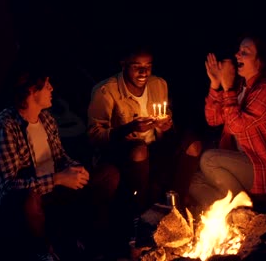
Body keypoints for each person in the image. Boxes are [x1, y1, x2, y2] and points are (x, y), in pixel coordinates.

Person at [0, 63, 119, 261]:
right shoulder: (3, 128)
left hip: (55, 194)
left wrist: (75, 169)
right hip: (24, 207)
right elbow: (7, 187)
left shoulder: (45, 119)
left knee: (108, 174)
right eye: (46, 85)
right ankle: (43, 252)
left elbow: (60, 156)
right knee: (28, 198)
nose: (52, 89)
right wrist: (57, 179)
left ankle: (92, 241)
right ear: (31, 91)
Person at [87, 43, 203, 215]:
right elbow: (95, 135)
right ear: (124, 64)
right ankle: (139, 211)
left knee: (193, 144)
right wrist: (129, 128)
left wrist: (165, 126)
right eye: (137, 67)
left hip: (155, 145)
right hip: (122, 150)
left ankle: (177, 204)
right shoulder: (105, 91)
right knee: (140, 150)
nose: (144, 73)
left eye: (148, 67)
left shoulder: (158, 84)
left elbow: (166, 118)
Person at [188, 32, 266, 213]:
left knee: (209, 159)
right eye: (239, 50)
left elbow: (237, 125)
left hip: (263, 168)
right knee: (195, 182)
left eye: (245, 52)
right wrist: (216, 85)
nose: (237, 55)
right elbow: (213, 120)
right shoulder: (241, 88)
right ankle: (237, 216)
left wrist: (227, 87)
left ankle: (246, 209)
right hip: (240, 165)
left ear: (261, 61)